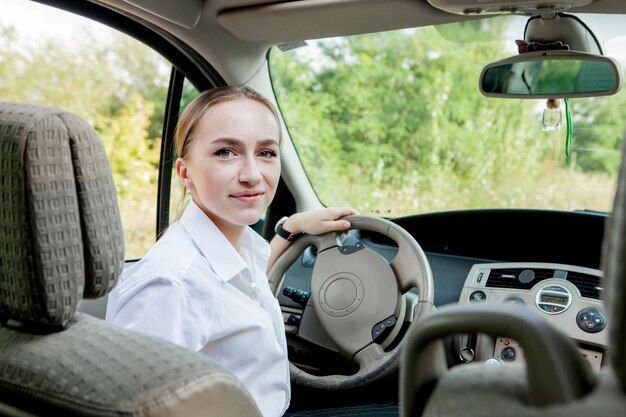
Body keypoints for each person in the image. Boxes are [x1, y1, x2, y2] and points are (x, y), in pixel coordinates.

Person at [105, 86, 358, 417]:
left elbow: (235, 291)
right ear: (185, 173)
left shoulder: (231, 247)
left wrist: (289, 228)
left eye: (266, 153)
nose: (252, 175)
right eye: (226, 152)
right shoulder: (167, 286)